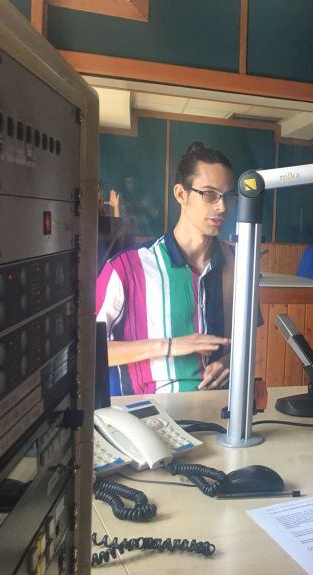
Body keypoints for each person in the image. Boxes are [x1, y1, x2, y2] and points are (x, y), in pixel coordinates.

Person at [96, 142, 236, 394]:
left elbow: (245, 343)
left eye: (227, 196)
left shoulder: (237, 266)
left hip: (222, 411)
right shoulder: (126, 267)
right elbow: (87, 349)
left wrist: (229, 361)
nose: (222, 207)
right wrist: (169, 346)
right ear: (181, 194)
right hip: (152, 414)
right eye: (210, 194)